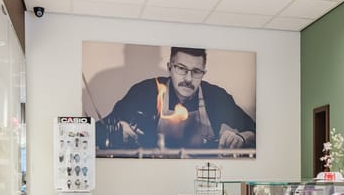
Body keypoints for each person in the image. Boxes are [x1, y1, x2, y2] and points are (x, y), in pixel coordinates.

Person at [97, 46, 256, 150]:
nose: (188, 78)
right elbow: (98, 129)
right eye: (181, 68)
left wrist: (242, 138)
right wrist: (117, 130)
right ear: (169, 67)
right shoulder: (145, 93)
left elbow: (256, 131)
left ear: (203, 73)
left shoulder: (216, 97)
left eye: (196, 72)